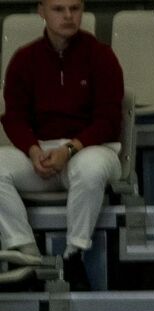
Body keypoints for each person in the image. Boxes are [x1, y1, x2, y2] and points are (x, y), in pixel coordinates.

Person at [0, 0, 123, 291]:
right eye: (59, 9)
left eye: (75, 8)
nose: (68, 16)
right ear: (41, 12)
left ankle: (73, 254)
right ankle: (25, 255)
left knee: (90, 168)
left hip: (92, 149)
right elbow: (14, 118)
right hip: (42, 152)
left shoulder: (101, 55)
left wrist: (69, 150)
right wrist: (33, 151)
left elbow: (108, 120)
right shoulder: (24, 59)